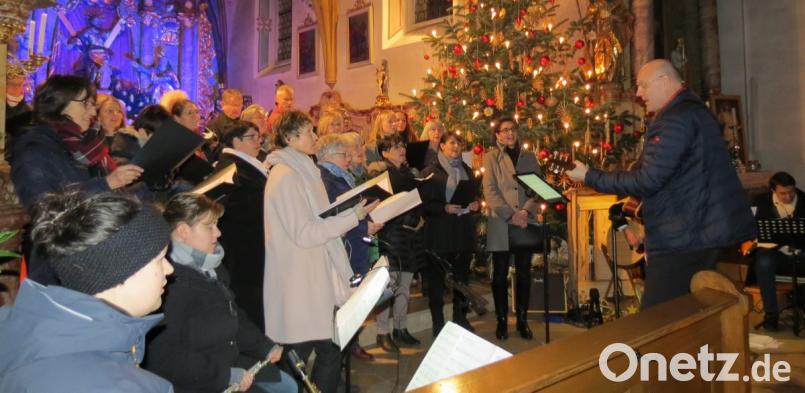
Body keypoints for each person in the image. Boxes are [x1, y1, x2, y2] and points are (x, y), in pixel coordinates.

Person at [567, 59, 756, 308]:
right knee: (685, 313)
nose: (638, 94)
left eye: (643, 85)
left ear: (664, 80)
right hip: (699, 230)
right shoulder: (693, 111)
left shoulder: (674, 120)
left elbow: (649, 180)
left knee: (657, 320)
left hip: (684, 235)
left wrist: (589, 176)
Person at [0, 190, 174, 392]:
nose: (170, 269)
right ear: (118, 271)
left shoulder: (25, 329)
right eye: (160, 260)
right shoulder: (119, 386)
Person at [263, 110, 377, 392]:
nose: (315, 137)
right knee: (311, 351)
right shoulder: (285, 176)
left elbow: (319, 219)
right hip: (300, 278)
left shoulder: (305, 169)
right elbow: (305, 232)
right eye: (308, 133)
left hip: (314, 274)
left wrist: (353, 213)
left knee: (316, 349)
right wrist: (354, 216)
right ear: (289, 138)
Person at [146, 193, 295, 393]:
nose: (218, 233)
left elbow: (234, 317)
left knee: (288, 386)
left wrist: (264, 346)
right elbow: (165, 358)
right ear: (182, 231)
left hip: (228, 361)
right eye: (209, 227)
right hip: (200, 380)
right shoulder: (169, 283)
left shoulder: (211, 268)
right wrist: (226, 375)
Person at [10, 75, 144, 284]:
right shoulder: (35, 149)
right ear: (60, 103)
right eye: (87, 104)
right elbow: (45, 207)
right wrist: (107, 183)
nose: (92, 112)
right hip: (62, 263)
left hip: (95, 247)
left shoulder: (85, 146)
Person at [316, 133, 383, 361]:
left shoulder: (340, 177)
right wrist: (365, 228)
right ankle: (342, 354)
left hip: (355, 244)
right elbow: (337, 216)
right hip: (347, 249)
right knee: (347, 303)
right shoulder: (327, 179)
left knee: (355, 301)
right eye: (343, 154)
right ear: (329, 155)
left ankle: (348, 348)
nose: (348, 158)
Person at [482, 117, 542, 340]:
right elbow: (489, 191)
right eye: (504, 130)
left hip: (525, 220)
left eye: (512, 130)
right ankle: (501, 321)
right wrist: (511, 215)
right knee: (499, 274)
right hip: (500, 222)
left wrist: (525, 211)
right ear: (497, 135)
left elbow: (537, 187)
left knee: (524, 273)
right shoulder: (491, 157)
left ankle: (523, 321)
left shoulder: (529, 157)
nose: (509, 133)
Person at [420, 133, 481, 336]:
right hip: (439, 232)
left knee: (462, 278)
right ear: (442, 146)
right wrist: (444, 208)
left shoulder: (468, 170)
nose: (456, 146)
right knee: (437, 281)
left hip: (463, 230)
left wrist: (475, 205)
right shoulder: (429, 172)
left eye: (459, 142)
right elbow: (422, 204)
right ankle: (438, 324)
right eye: (451, 142)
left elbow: (475, 197)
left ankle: (460, 317)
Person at [372, 134, 426, 350]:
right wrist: (409, 219)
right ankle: (382, 332)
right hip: (391, 237)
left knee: (404, 286)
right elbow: (379, 208)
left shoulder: (408, 172)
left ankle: (401, 328)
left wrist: (420, 218)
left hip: (410, 236)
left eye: (402, 145)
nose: (401, 149)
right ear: (384, 152)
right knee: (389, 287)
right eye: (395, 147)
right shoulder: (381, 175)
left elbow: (415, 201)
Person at [216, 121, 269, 328]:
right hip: (243, 249)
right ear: (236, 141)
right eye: (252, 137)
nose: (259, 142)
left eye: (259, 137)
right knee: (249, 302)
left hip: (252, 244)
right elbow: (236, 210)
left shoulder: (245, 165)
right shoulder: (232, 168)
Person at [749, 172, 805, 331]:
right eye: (783, 193)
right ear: (773, 191)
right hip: (774, 250)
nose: (788, 196)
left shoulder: (803, 200)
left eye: (791, 192)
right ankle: (771, 315)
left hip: (800, 250)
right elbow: (756, 229)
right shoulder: (762, 202)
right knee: (763, 262)